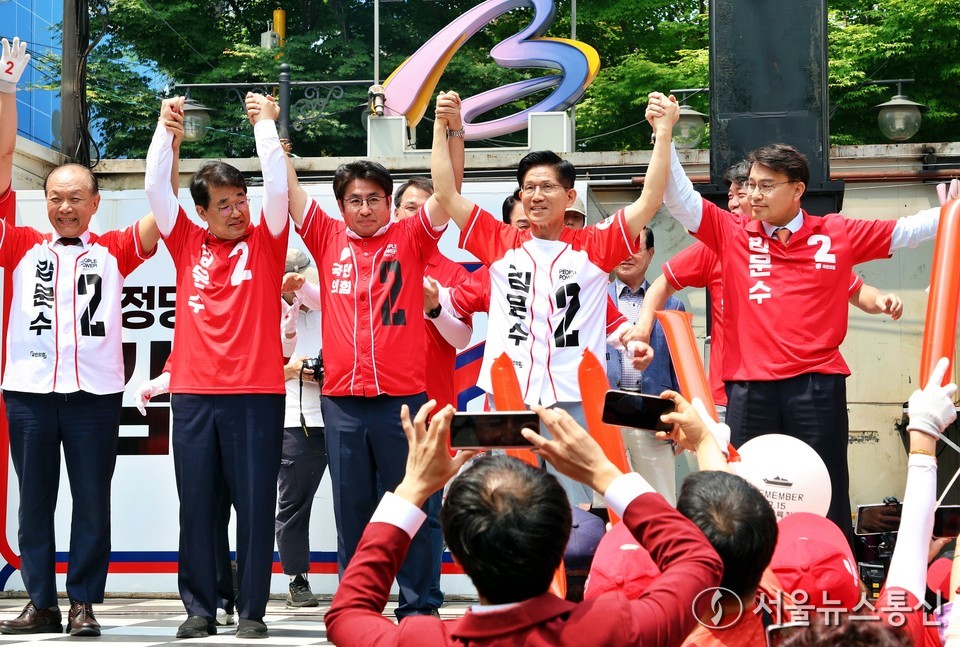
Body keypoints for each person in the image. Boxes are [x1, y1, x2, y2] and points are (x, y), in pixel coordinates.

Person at [647, 90, 940, 538]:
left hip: (816, 386)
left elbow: (908, 232)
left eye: (766, 186)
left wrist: (951, 213)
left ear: (797, 190)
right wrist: (663, 134)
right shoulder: (732, 232)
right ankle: (752, 579)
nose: (754, 195)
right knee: (746, 491)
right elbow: (680, 200)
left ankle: (834, 571)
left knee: (825, 486)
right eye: (751, 186)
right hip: (749, 389)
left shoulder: (835, 233)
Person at [271, 92, 463, 620]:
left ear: (387, 201)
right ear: (341, 206)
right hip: (343, 404)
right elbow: (289, 195)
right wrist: (272, 138)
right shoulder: (327, 237)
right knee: (353, 512)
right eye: (354, 199)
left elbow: (447, 192)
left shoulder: (410, 236)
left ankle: (420, 606)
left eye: (373, 198)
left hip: (405, 402)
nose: (364, 208)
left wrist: (448, 129)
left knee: (416, 504)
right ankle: (359, 606)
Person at [429, 92, 671, 506]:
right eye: (528, 188)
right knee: (510, 506)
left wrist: (663, 133)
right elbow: (446, 192)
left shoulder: (595, 246)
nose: (536, 195)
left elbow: (649, 200)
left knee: (576, 508)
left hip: (574, 398)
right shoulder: (500, 241)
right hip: (507, 394)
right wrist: (444, 126)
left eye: (546, 187)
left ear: (570, 196)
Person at [323, 399, 724, 645]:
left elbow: (347, 614)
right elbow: (699, 562)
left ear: (459, 557)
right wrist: (604, 474)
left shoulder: (423, 640)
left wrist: (412, 489)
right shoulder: (613, 629)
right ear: (559, 543)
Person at [0, 37, 162, 638]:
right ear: (44, 203)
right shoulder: (20, 247)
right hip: (30, 395)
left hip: (95, 396)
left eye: (75, 198)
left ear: (95, 204)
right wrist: (8, 94)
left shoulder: (115, 251)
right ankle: (39, 599)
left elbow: (161, 207)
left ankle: (83, 603)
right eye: (55, 198)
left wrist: (164, 140)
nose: (65, 207)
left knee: (93, 505)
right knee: (35, 504)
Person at [144, 93, 289, 639]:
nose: (236, 210)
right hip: (194, 394)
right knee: (198, 507)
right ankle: (200, 608)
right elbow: (158, 187)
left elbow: (279, 187)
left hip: (256, 394)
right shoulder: (185, 241)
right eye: (223, 203)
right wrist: (166, 131)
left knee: (254, 508)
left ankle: (251, 611)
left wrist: (265, 127)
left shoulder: (269, 241)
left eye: (240, 199)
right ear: (201, 211)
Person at [634, 161, 903, 420]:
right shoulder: (720, 244)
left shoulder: (812, 249)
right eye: (735, 194)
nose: (739, 201)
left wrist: (880, 300)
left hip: (801, 389)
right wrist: (643, 327)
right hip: (730, 391)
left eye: (748, 192)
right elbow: (663, 283)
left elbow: (854, 289)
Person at [606, 225, 685, 504]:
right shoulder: (593, 300)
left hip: (652, 416)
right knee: (606, 500)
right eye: (621, 247)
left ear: (650, 254)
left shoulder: (672, 304)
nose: (627, 254)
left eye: (636, 247)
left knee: (660, 499)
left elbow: (679, 366)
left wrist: (678, 418)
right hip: (606, 415)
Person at [276, 249, 327, 608]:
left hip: (343, 413)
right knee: (293, 504)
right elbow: (250, 373)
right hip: (294, 419)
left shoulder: (332, 307)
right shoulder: (267, 313)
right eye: (296, 286)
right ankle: (297, 578)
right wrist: (292, 371)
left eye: (308, 282)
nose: (303, 291)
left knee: (360, 501)